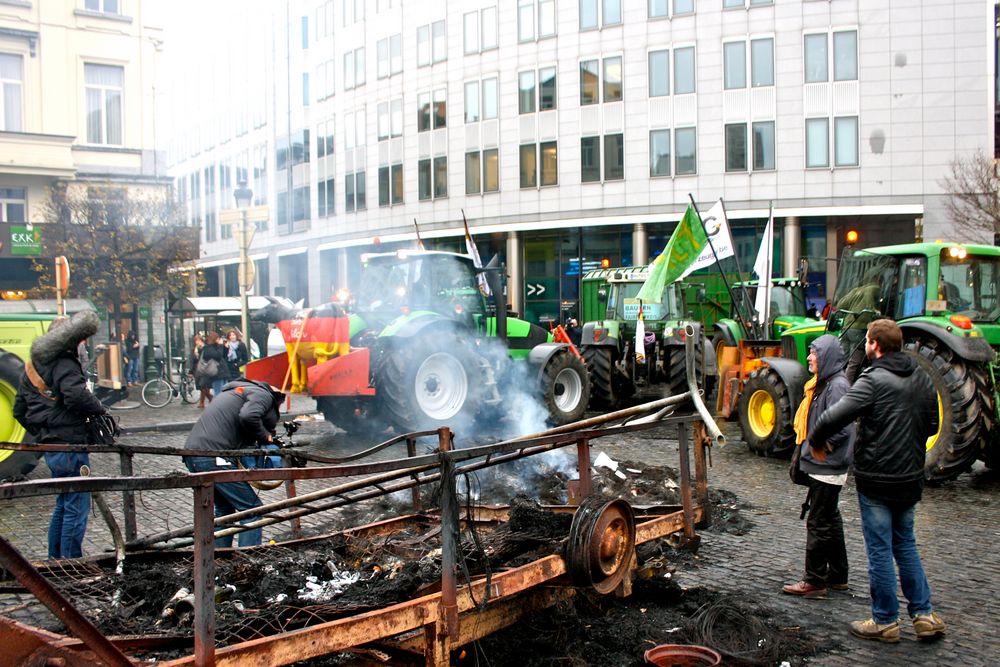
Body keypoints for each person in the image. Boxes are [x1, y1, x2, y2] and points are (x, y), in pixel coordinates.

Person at [809, 319, 945, 643]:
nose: (866, 345)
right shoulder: (922, 377)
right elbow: (932, 425)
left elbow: (834, 416)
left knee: (881, 550)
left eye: (868, 340)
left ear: (875, 345)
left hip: (878, 481)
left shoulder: (872, 381)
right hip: (910, 478)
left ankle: (885, 620)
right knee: (906, 544)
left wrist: (815, 440)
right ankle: (923, 614)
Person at [13, 310, 107, 559]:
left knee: (63, 504)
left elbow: (18, 410)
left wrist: (44, 432)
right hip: (70, 445)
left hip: (52, 445)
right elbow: (76, 396)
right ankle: (70, 563)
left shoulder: (32, 367)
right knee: (76, 505)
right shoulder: (64, 362)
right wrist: (99, 409)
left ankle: (55, 560)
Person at [783, 334, 854, 599]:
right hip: (826, 466)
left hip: (828, 466)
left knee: (819, 522)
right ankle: (837, 576)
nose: (809, 357)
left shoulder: (836, 387)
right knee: (830, 519)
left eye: (813, 353)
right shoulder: (824, 384)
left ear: (826, 357)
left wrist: (818, 445)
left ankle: (814, 580)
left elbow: (842, 425)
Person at [182, 378, 285, 548]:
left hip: (194, 455)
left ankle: (220, 559)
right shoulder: (263, 395)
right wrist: (266, 437)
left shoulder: (237, 392)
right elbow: (249, 416)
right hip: (213, 457)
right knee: (252, 511)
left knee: (224, 511)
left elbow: (238, 428)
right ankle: (248, 560)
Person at [200, 331, 229, 398]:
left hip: (223, 372)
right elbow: (218, 356)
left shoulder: (217, 347)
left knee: (225, 392)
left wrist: (226, 348)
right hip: (216, 373)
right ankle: (217, 407)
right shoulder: (208, 348)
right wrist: (221, 345)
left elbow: (223, 356)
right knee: (218, 393)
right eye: (218, 338)